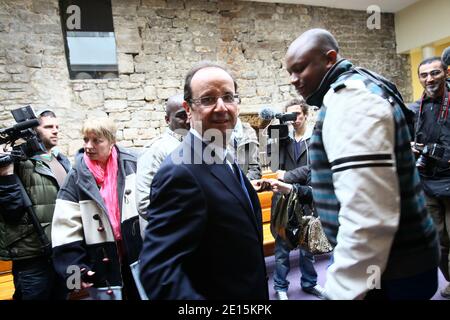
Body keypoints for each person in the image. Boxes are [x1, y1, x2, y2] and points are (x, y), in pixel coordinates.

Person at [285, 28, 440, 300]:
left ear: (330, 58)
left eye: (300, 69)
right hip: (397, 261)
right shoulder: (357, 87)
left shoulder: (351, 101)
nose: (294, 80)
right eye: (290, 72)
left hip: (390, 269)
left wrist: (343, 291)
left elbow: (368, 213)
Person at [139, 62, 268, 300]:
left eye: (229, 97)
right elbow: (158, 271)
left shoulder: (224, 154)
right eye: (208, 99)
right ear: (188, 110)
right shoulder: (180, 172)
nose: (222, 108)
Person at [51, 117, 143, 300]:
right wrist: (75, 276)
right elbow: (64, 231)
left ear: (112, 142)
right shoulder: (76, 176)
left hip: (138, 256)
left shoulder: (135, 163)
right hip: (100, 264)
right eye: (86, 139)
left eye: (96, 140)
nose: (88, 146)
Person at [0, 109, 70, 300]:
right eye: (48, 127)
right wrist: (6, 175)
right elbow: (11, 211)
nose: (55, 131)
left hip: (63, 252)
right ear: (34, 130)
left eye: (57, 127)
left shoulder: (63, 162)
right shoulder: (20, 162)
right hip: (32, 258)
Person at [267, 98, 324, 300]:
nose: (294, 119)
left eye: (297, 115)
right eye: (290, 115)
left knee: (306, 246)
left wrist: (288, 176)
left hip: (306, 198)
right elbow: (274, 166)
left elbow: (314, 169)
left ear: (306, 115)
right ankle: (280, 287)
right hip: (283, 201)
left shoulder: (316, 139)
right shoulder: (283, 138)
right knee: (282, 248)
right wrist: (277, 125)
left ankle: (310, 283)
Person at [409, 57, 450, 299]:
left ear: (445, 72)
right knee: (437, 242)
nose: (429, 79)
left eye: (435, 73)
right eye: (424, 75)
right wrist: (410, 146)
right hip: (427, 183)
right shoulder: (415, 109)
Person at [136, 94, 190, 237]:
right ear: (167, 120)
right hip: (170, 237)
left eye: (190, 113)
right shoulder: (156, 150)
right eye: (181, 116)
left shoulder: (196, 146)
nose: (188, 119)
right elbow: (145, 204)